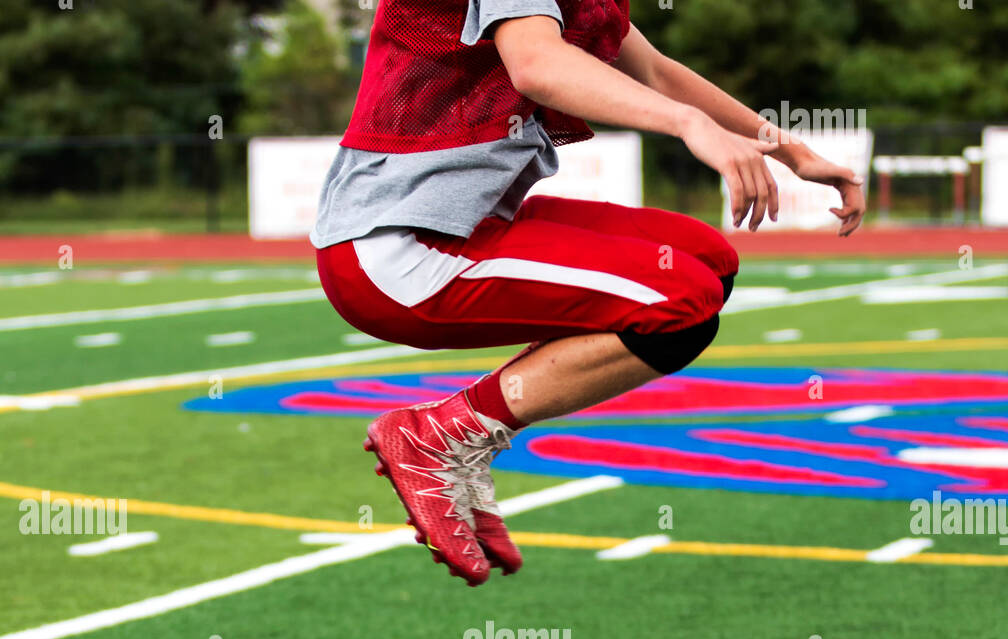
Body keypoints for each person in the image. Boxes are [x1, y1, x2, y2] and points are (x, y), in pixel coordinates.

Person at [313, 1, 866, 584]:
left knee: (710, 262)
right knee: (679, 302)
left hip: (468, 227)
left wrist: (791, 151)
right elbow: (535, 63)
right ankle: (444, 433)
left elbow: (656, 70)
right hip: (394, 249)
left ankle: (458, 429)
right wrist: (688, 124)